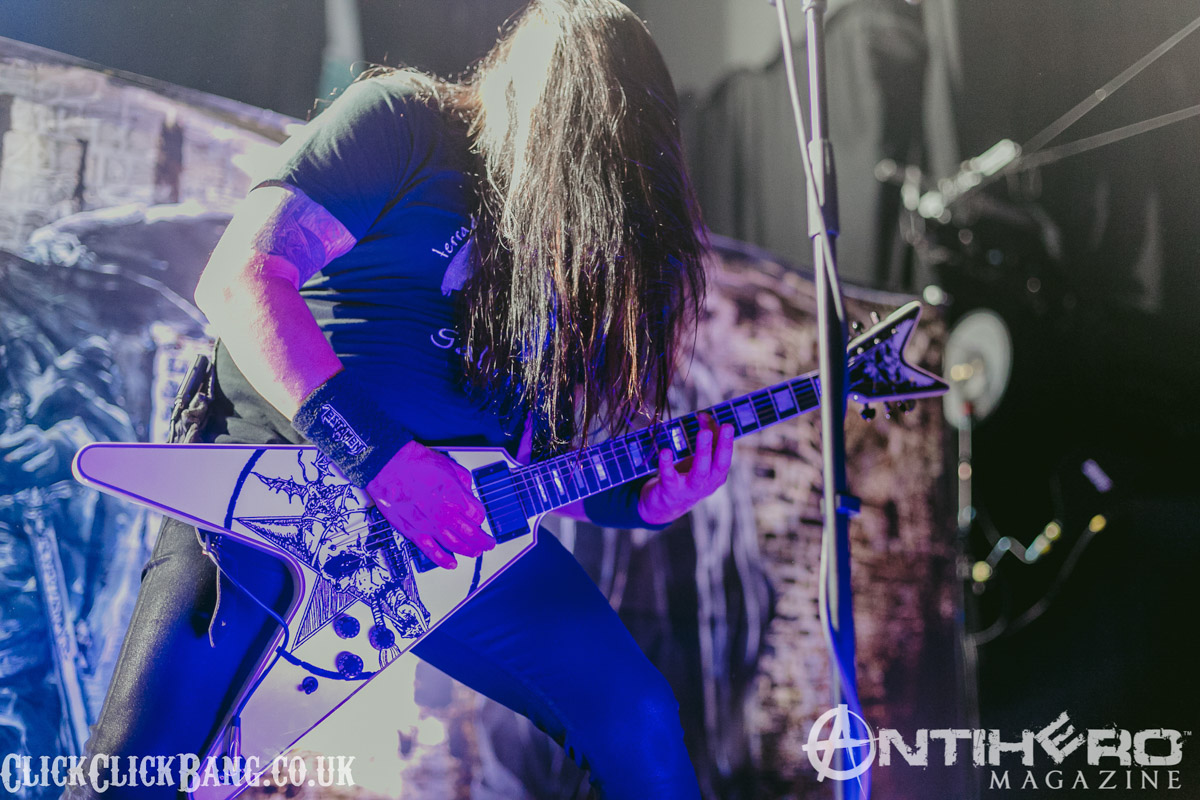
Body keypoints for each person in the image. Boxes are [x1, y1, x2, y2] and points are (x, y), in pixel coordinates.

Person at [69, 1, 731, 797]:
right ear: (553, 111)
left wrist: (643, 501)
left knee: (638, 720)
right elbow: (243, 280)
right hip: (276, 499)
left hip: (448, 544)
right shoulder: (404, 122)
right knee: (133, 774)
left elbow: (529, 456)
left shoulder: (551, 255)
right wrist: (381, 458)